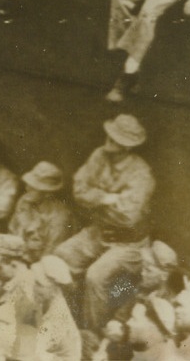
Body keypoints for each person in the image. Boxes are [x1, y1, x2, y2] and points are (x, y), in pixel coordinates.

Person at [55, 114, 155, 332]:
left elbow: (128, 217)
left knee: (95, 277)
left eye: (118, 139)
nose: (110, 140)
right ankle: (64, 317)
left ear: (128, 146)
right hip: (99, 232)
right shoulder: (99, 156)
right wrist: (106, 198)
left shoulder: (141, 174)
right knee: (61, 257)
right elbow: (79, 191)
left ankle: (91, 334)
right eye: (111, 134)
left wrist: (96, 198)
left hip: (130, 244)